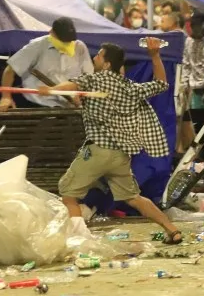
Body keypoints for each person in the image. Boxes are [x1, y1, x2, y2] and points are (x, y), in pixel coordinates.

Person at [36, 38, 183, 245]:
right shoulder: (130, 87)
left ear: (106, 64)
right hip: (120, 155)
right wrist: (155, 56)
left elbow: (72, 85)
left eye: (98, 56)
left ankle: (79, 239)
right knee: (133, 198)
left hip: (97, 151)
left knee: (68, 194)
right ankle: (172, 229)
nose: (94, 58)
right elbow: (161, 84)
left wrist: (52, 90)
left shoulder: (96, 79)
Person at [0, 17, 93, 111]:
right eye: (62, 41)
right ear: (52, 32)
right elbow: (10, 70)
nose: (67, 44)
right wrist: (6, 97)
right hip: (39, 107)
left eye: (69, 41)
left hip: (69, 108)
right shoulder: (37, 45)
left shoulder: (79, 47)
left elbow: (88, 77)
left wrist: (80, 94)